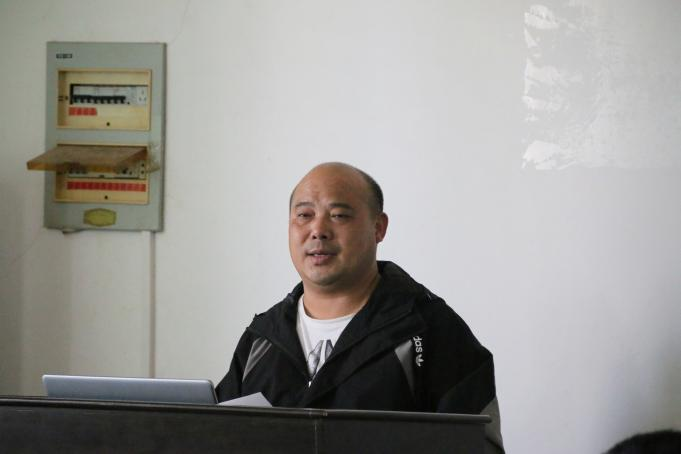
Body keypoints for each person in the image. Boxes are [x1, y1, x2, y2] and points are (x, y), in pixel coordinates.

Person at [216, 162, 504, 453]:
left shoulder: (431, 330)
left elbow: (481, 447)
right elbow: (214, 437)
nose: (318, 230)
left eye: (339, 215)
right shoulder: (262, 338)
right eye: (304, 215)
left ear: (378, 227)